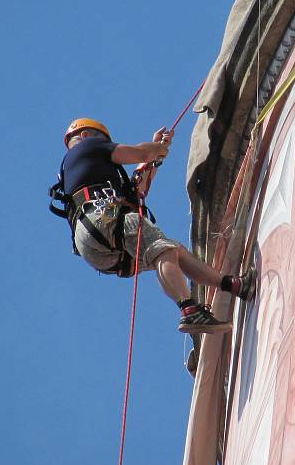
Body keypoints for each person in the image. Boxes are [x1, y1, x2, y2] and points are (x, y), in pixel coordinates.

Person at [51, 118, 255, 334]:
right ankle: (190, 311)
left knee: (174, 252)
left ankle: (233, 285)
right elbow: (139, 154)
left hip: (95, 247)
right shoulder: (88, 146)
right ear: (84, 135)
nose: (106, 144)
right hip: (103, 218)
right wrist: (156, 149)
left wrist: (156, 152)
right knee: (162, 251)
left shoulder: (82, 172)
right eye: (103, 140)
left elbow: (135, 190)